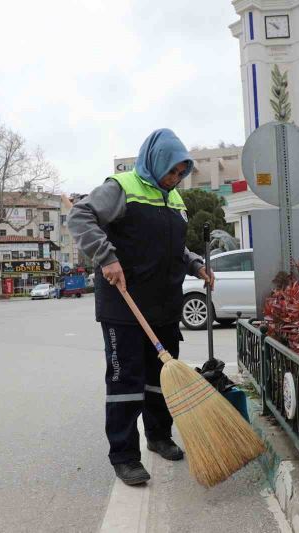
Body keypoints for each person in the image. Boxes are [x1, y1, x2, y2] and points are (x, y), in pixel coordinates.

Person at [68, 129, 214, 486]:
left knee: (160, 378)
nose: (175, 179)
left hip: (164, 304)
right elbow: (80, 217)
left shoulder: (174, 199)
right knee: (126, 381)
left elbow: (172, 247)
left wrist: (195, 263)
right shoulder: (121, 187)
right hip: (124, 305)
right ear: (157, 160)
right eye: (172, 171)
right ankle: (124, 455)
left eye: (181, 173)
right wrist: (106, 258)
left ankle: (159, 436)